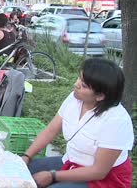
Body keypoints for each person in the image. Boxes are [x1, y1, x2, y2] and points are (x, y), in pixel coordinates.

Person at [22, 58, 134, 188]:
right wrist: (27, 156)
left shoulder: (116, 121)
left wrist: (52, 175)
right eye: (79, 78)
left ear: (100, 96)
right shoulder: (75, 98)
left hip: (104, 179)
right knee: (22, 171)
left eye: (84, 85)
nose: (76, 84)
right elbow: (50, 130)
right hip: (72, 162)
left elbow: (99, 171)